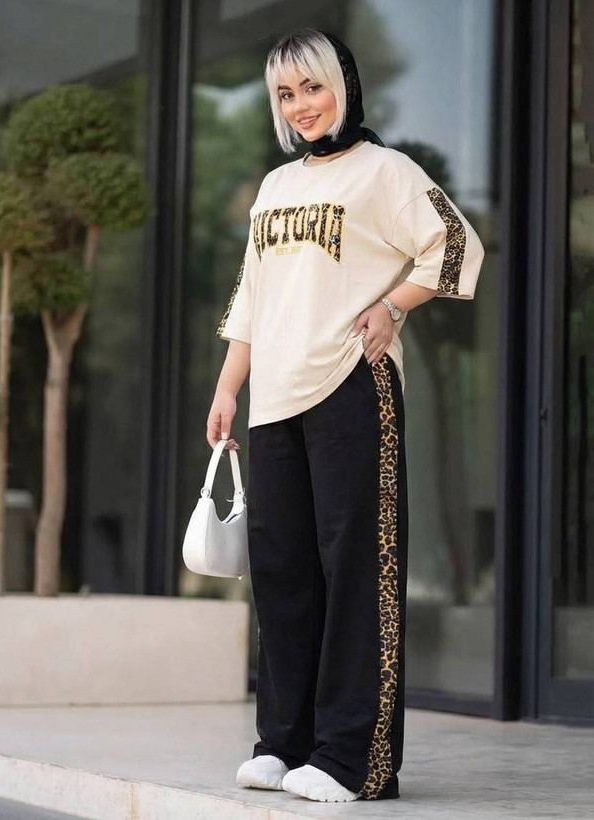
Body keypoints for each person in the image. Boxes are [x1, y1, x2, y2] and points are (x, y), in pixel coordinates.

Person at [206, 28, 485, 803]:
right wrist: (228, 387)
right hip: (274, 398)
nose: (300, 106)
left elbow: (454, 243)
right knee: (282, 575)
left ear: (343, 86)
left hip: (351, 386)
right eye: (285, 94)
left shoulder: (384, 172)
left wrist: (393, 306)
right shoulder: (274, 186)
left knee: (359, 571)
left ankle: (353, 760)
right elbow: (251, 295)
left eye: (312, 87)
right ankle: (283, 743)